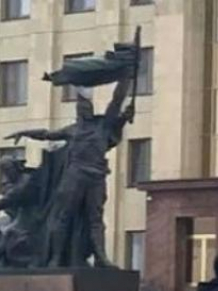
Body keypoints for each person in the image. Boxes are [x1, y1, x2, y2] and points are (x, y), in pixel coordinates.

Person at [7, 81, 134, 267]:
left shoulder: (102, 126)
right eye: (80, 106)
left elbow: (117, 99)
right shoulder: (72, 129)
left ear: (90, 109)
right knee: (63, 216)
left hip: (96, 177)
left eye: (86, 106)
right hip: (74, 176)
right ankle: (56, 257)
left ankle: (101, 257)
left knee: (95, 219)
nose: (83, 110)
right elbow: (46, 134)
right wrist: (24, 132)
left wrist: (126, 78)